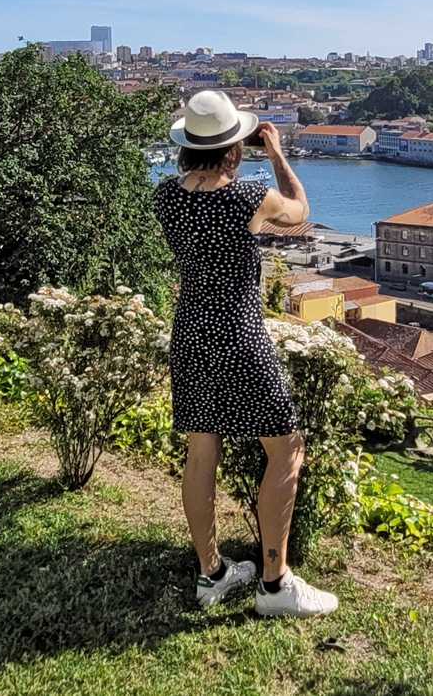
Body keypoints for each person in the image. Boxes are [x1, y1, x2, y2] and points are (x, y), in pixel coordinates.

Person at [153, 89, 338, 618]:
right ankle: (275, 585)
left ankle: (211, 573)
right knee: (286, 449)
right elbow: (301, 212)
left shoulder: (166, 196)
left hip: (190, 331)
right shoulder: (246, 198)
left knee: (201, 449)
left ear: (188, 146)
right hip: (238, 333)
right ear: (235, 146)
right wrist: (277, 153)